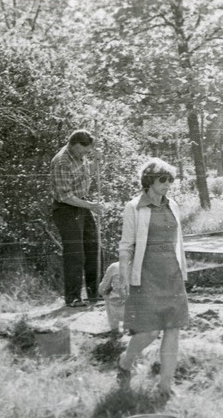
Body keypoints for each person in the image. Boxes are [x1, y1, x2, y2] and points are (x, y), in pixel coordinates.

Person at [116, 158, 188, 396]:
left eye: (171, 180)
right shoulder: (134, 207)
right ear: (149, 180)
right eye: (163, 179)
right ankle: (125, 362)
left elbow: (179, 243)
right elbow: (126, 246)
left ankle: (165, 385)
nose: (168, 184)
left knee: (173, 329)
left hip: (172, 274)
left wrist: (182, 271)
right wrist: (124, 276)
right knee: (148, 332)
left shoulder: (173, 205)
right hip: (146, 274)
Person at [50, 129, 104, 307]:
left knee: (94, 248)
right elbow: (65, 196)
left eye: (88, 152)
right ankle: (72, 298)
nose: (85, 154)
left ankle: (95, 294)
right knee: (76, 255)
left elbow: (88, 174)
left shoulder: (81, 155)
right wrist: (91, 206)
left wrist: (96, 160)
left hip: (81, 205)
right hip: (66, 209)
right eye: (83, 151)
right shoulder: (62, 162)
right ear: (74, 144)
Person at [98, 261, 124, 334]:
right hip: (142, 312)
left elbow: (101, 290)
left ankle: (115, 330)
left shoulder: (114, 266)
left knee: (108, 296)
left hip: (121, 311)